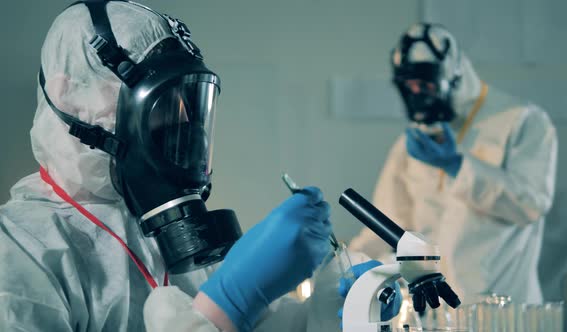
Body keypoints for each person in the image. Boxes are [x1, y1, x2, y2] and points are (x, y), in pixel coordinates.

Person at [0, 2, 401, 331]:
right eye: (160, 106)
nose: (179, 127)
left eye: (187, 105)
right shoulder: (20, 250)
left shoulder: (160, 235)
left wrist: (324, 315)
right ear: (66, 95)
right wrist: (221, 312)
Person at [349, 23, 557, 304]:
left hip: (505, 308)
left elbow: (532, 204)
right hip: (437, 308)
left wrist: (458, 166)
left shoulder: (522, 121)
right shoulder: (414, 141)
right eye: (409, 86)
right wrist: (345, 264)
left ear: (454, 77)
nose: (418, 92)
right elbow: (389, 225)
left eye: (426, 83)